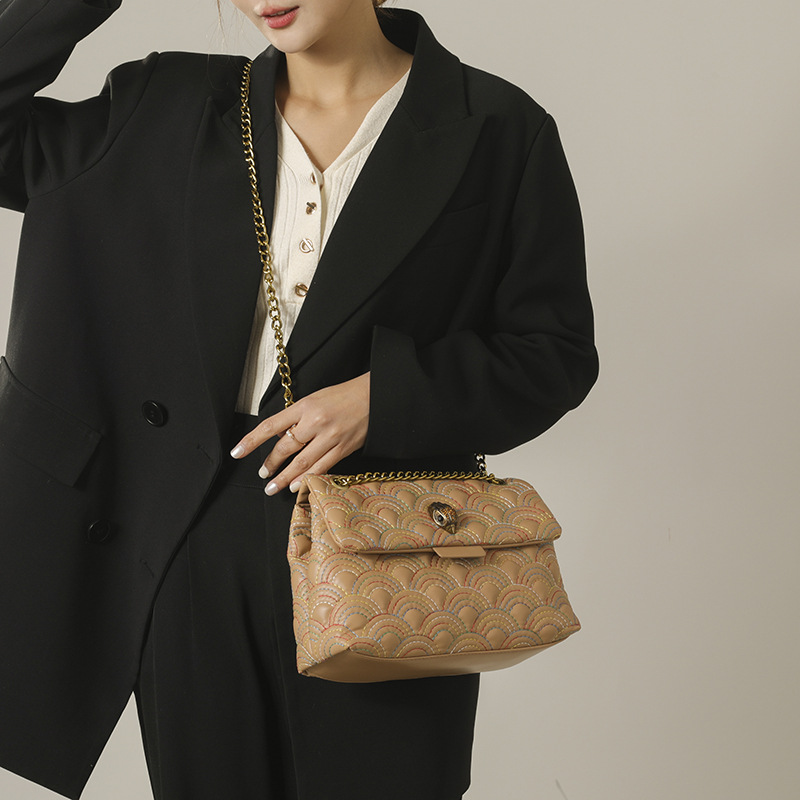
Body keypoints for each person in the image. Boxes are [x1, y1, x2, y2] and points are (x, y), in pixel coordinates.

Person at [0, 1, 599, 798]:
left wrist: (385, 399)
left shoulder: (497, 127)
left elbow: (553, 353)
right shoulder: (164, 104)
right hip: (187, 539)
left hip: (385, 546)